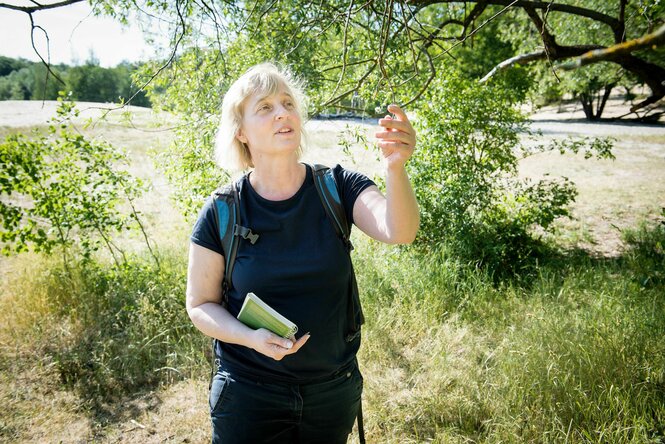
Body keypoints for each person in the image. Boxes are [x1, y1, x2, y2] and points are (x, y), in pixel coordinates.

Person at [186, 62, 419, 444]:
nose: (283, 112)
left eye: (287, 103)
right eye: (265, 107)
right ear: (241, 132)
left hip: (332, 390)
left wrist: (396, 169)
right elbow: (200, 305)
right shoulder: (222, 210)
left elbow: (400, 231)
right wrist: (250, 337)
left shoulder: (338, 187)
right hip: (248, 394)